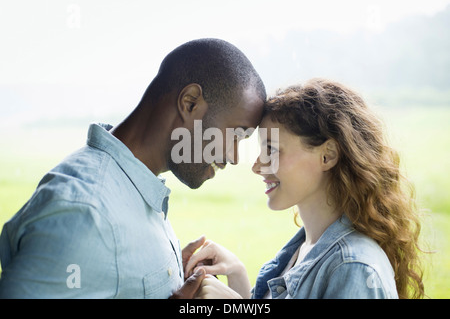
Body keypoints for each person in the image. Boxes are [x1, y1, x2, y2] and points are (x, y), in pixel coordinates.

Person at [0, 38, 266, 298]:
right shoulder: (86, 214)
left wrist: (170, 275)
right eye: (236, 135)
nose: (233, 157)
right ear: (190, 103)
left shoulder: (132, 184)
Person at [185, 78, 425, 299]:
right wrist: (237, 277)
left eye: (272, 149)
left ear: (327, 156)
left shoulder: (353, 267)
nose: (257, 166)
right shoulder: (302, 250)